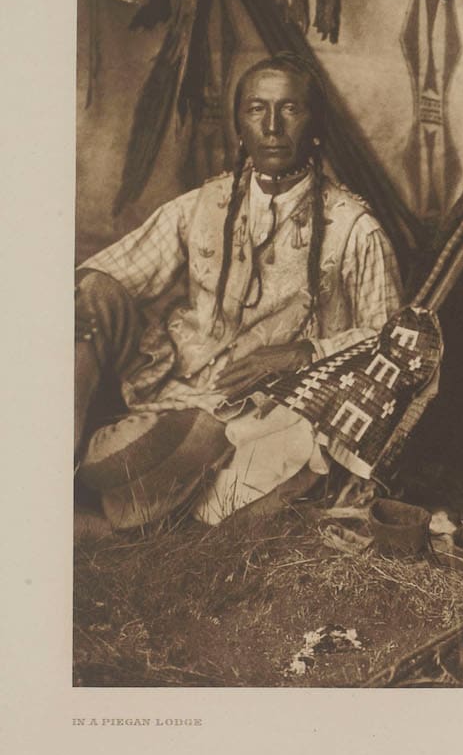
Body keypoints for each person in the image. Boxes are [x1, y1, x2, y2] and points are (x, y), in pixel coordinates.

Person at [75, 53, 403, 530]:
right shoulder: (203, 204)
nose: (272, 126)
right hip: (171, 384)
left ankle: (117, 496)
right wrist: (70, 297)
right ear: (239, 126)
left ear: (314, 125)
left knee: (166, 454)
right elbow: (112, 273)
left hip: (259, 410)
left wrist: (302, 352)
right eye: (256, 109)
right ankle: (63, 468)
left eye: (289, 109)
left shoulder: (355, 228)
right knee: (86, 299)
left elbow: (390, 345)